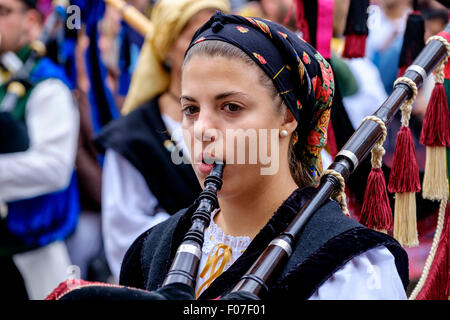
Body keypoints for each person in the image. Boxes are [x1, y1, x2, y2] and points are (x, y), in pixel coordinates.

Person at [119, 12, 409, 300]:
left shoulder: (347, 267)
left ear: (286, 117)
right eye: (191, 109)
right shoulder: (152, 251)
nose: (202, 130)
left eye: (231, 107)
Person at [95, 0, 231, 282]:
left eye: (219, 35)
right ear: (167, 48)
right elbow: (125, 239)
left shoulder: (243, 119)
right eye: (196, 35)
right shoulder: (134, 138)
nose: (209, 46)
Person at [0, 0, 79, 299]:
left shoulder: (47, 84)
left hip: (32, 253)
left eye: (3, 12)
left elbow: (54, 168)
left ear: (31, 21)